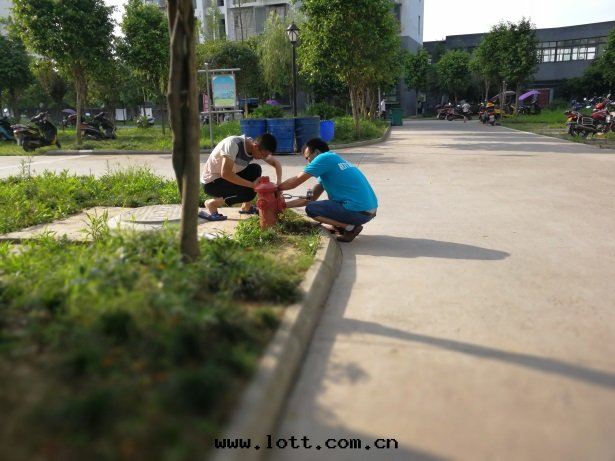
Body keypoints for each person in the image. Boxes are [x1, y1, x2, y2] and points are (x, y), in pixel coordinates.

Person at [278, 138, 378, 243]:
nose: (308, 163)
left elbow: (295, 181)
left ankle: (350, 228)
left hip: (359, 212)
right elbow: (310, 199)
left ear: (317, 152)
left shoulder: (324, 158)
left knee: (311, 209)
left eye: (308, 158)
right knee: (325, 201)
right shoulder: (334, 162)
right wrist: (283, 206)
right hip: (368, 211)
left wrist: (277, 188)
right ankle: (339, 227)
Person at [200, 133, 281, 221]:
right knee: (248, 193)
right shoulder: (233, 144)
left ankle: (246, 207)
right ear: (255, 146)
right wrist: (252, 185)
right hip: (212, 183)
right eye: (263, 155)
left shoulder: (254, 146)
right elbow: (226, 173)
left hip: (225, 178)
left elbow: (276, 163)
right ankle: (212, 204)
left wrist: (278, 185)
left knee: (255, 169)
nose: (263, 158)